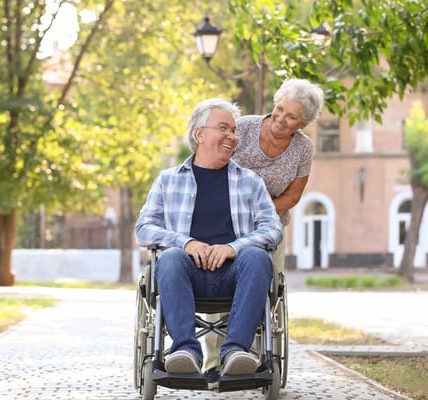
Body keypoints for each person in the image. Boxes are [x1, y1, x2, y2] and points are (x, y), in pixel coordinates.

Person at [134, 98, 283, 376]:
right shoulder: (168, 180)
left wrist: (233, 247)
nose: (232, 137)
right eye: (224, 128)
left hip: (236, 275)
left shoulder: (250, 181)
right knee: (171, 257)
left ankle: (236, 351)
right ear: (199, 134)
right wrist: (185, 242)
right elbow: (143, 229)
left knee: (257, 256)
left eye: (234, 131)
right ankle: (185, 351)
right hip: (184, 275)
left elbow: (273, 229)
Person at [202, 78, 325, 376]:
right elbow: (210, 164)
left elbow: (293, 195)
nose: (281, 119)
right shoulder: (242, 128)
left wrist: (259, 212)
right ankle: (213, 363)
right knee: (217, 288)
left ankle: (250, 354)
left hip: (268, 228)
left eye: (291, 116)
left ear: (303, 123)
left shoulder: (302, 149)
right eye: (280, 109)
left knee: (263, 288)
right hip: (225, 223)